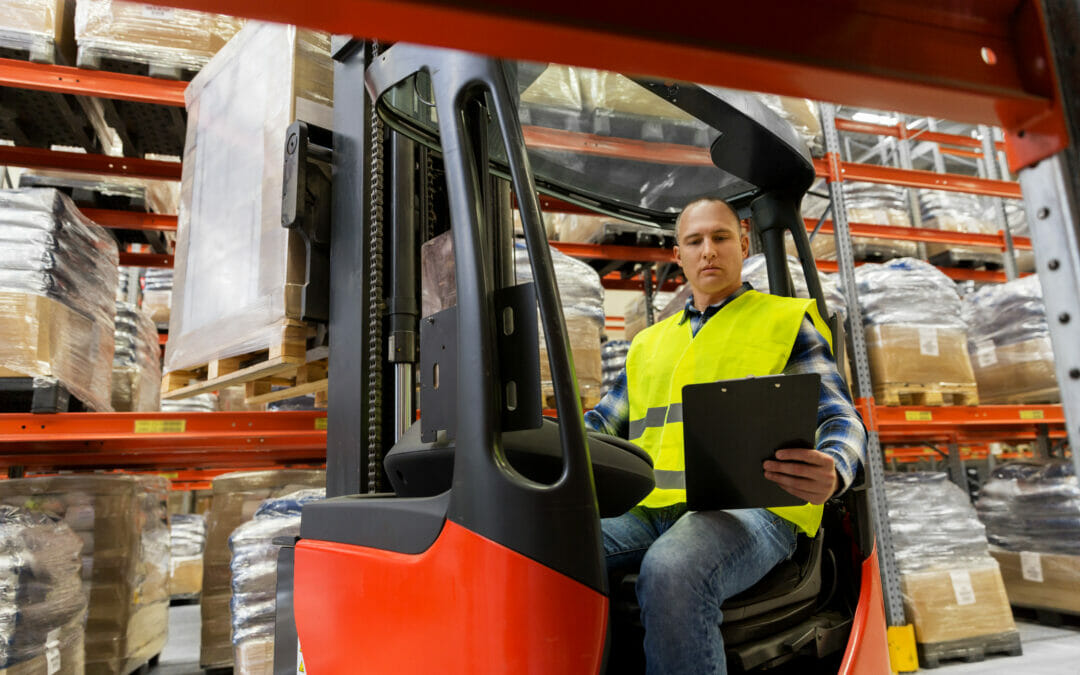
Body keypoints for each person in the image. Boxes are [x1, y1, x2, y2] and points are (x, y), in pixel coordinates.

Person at [585, 197, 866, 675]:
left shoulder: (783, 320)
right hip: (650, 509)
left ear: (742, 243)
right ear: (678, 256)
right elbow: (598, 428)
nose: (708, 251)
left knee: (673, 570)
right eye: (694, 241)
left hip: (755, 508)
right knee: (546, 544)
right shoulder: (648, 343)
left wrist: (835, 467)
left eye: (719, 238)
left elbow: (840, 417)